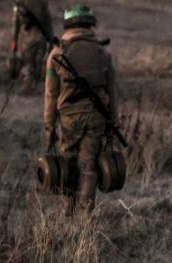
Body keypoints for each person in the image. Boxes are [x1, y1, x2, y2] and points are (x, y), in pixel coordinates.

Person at [43, 5, 117, 213]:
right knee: (89, 165)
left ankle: (67, 212)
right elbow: (112, 91)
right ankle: (85, 216)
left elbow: (50, 95)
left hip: (69, 118)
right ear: (89, 24)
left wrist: (49, 127)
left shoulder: (56, 54)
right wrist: (113, 121)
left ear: (69, 24)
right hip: (97, 118)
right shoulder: (104, 53)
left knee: (67, 164)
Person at [10, 0, 53, 94]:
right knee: (38, 63)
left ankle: (27, 86)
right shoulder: (43, 4)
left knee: (27, 63)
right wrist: (50, 40)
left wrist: (14, 44)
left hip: (27, 38)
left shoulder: (20, 4)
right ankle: (34, 87)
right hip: (41, 38)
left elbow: (15, 26)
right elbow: (48, 22)